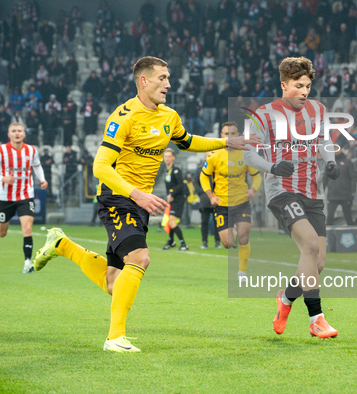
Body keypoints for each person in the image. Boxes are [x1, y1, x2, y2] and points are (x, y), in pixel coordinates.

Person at [32, 56, 259, 353]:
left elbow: (187, 141)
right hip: (117, 197)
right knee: (140, 258)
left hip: (139, 203)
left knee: (115, 282)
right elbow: (100, 167)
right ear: (144, 80)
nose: (168, 83)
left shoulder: (169, 116)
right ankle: (115, 337)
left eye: (168, 78)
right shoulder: (123, 116)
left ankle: (61, 245)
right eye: (162, 78)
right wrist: (136, 193)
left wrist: (225, 142)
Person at [243, 57, 342, 339]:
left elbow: (324, 141)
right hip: (281, 189)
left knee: (317, 261)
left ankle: (285, 298)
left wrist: (330, 162)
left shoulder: (318, 109)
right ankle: (317, 319)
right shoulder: (263, 114)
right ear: (284, 85)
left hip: (313, 191)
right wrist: (272, 167)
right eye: (299, 86)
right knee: (310, 245)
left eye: (308, 86)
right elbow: (248, 153)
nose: (304, 91)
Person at [0, 123, 49, 273]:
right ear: (9, 134)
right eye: (14, 131)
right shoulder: (0, 151)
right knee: (2, 233)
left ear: (24, 134)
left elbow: (37, 165)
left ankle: (27, 263)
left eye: (19, 131)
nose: (17, 133)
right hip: (5, 197)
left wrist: (42, 179)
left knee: (27, 227)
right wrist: (2, 178)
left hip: (25, 194)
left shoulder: (32, 150)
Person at [200, 122, 262, 279]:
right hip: (222, 204)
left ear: (238, 135)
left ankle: (242, 271)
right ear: (222, 136)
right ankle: (231, 230)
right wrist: (211, 196)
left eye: (233, 133)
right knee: (227, 243)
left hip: (241, 201)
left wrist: (253, 190)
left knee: (244, 236)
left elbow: (256, 176)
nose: (230, 136)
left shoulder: (246, 154)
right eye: (226, 134)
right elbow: (203, 176)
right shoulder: (214, 155)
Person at [161, 148, 188, 251]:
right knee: (169, 221)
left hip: (178, 199)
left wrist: (172, 194)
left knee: (172, 222)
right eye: (165, 156)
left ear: (173, 158)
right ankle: (171, 241)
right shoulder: (166, 171)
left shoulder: (176, 170)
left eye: (169, 156)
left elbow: (181, 185)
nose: (167, 158)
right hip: (171, 200)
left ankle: (183, 244)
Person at [195, 152, 221, 249]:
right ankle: (204, 241)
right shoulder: (199, 170)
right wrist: (201, 192)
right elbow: (195, 182)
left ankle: (217, 241)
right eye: (208, 155)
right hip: (205, 200)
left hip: (216, 198)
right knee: (204, 221)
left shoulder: (217, 168)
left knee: (217, 221)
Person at [326, 148, 356, 225]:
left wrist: (352, 191)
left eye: (337, 148)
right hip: (332, 195)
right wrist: (321, 192)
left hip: (345, 194)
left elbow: (353, 177)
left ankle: (353, 233)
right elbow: (324, 179)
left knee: (348, 216)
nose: (336, 151)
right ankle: (328, 235)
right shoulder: (329, 163)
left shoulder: (348, 162)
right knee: (329, 217)